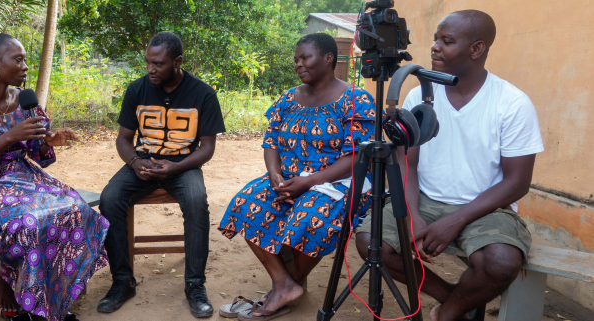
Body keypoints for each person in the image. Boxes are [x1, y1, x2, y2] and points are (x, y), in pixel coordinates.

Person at [354, 10, 543, 321]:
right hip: (425, 199)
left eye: (447, 40)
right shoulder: (420, 95)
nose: (435, 47)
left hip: (485, 207)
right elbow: (406, 164)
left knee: (502, 263)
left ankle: (449, 313)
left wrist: (455, 220)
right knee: (371, 243)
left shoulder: (512, 103)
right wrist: (411, 212)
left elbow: (516, 183)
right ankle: (448, 296)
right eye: (435, 39)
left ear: (477, 48)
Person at [0, 30, 109, 321]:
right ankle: (12, 294)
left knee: (76, 210)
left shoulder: (26, 100)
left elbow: (37, 153)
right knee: (29, 222)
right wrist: (6, 138)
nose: (25, 66)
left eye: (25, 60)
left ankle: (53, 303)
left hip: (28, 177)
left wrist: (49, 141)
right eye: (18, 60)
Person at [217, 33, 376, 321]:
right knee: (247, 201)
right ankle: (285, 284)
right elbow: (271, 143)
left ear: (329, 58)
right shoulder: (288, 98)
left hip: (338, 181)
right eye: (296, 60)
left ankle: (289, 282)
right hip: (289, 178)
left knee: (311, 214)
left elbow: (356, 156)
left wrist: (308, 182)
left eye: (305, 58)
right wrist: (276, 176)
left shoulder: (356, 99)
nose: (298, 65)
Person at [96, 31, 225, 318]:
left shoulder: (202, 93)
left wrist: (177, 167)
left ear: (177, 61)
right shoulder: (137, 89)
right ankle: (123, 282)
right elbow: (124, 139)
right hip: (143, 163)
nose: (151, 70)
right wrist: (133, 163)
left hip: (183, 166)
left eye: (159, 64)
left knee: (196, 201)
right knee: (110, 198)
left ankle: (194, 286)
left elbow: (207, 147)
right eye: (148, 63)